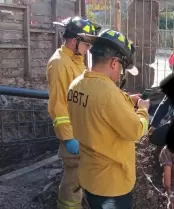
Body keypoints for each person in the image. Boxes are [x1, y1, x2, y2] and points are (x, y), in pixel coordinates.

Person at [67, 29, 149, 209]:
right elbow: (136, 130)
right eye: (121, 67)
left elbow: (100, 110)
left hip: (89, 176)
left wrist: (127, 100)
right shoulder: (109, 95)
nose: (121, 73)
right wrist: (143, 111)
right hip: (112, 184)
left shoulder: (76, 85)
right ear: (113, 62)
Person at [46, 16, 100, 209]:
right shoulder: (60, 63)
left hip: (83, 130)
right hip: (73, 134)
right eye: (86, 43)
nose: (88, 48)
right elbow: (58, 105)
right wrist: (68, 137)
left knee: (81, 178)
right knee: (73, 180)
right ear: (74, 40)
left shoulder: (76, 60)